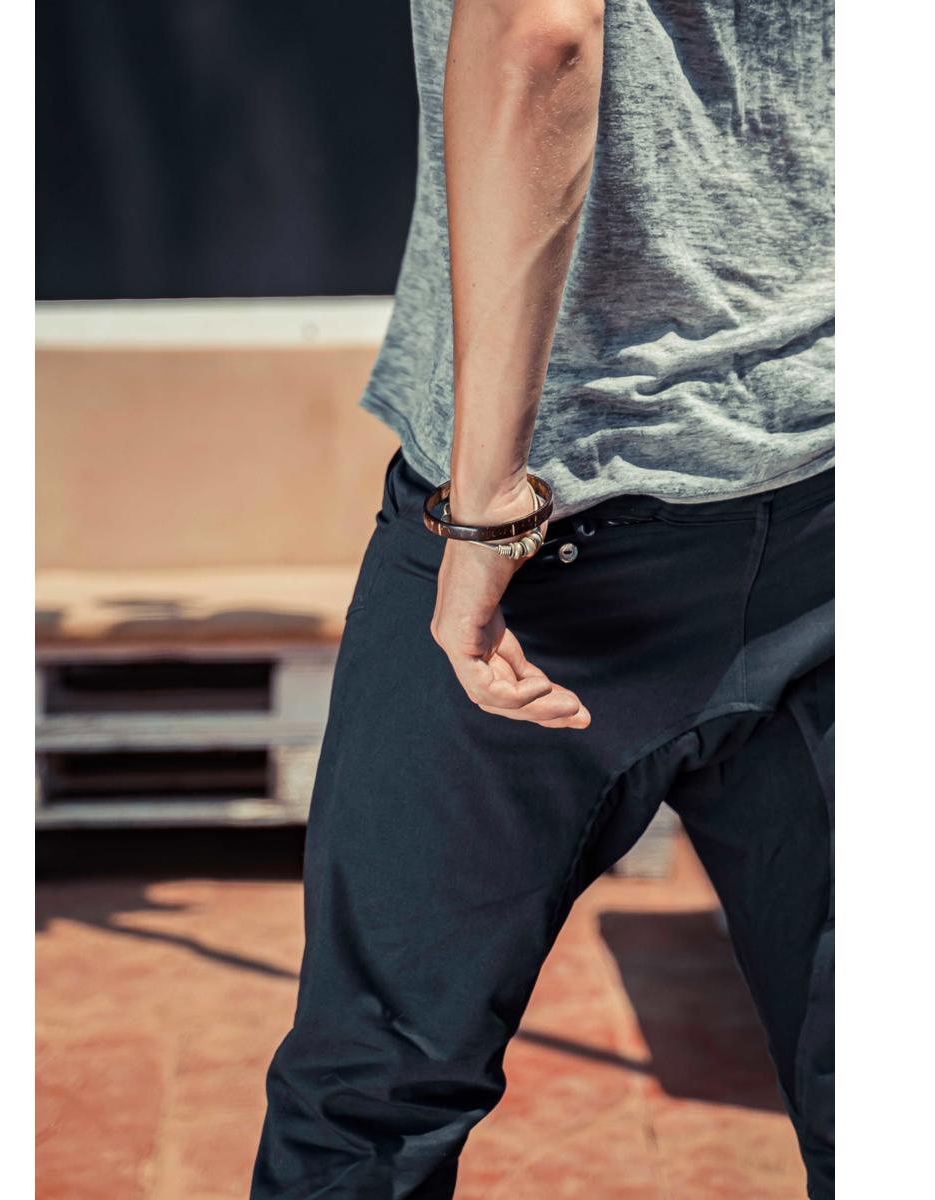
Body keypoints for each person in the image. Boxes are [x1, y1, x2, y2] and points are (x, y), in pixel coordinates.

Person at [251, 0, 834, 1195]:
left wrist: (484, 509)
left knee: (370, 1099)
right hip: (836, 469)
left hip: (556, 532)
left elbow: (538, 31)